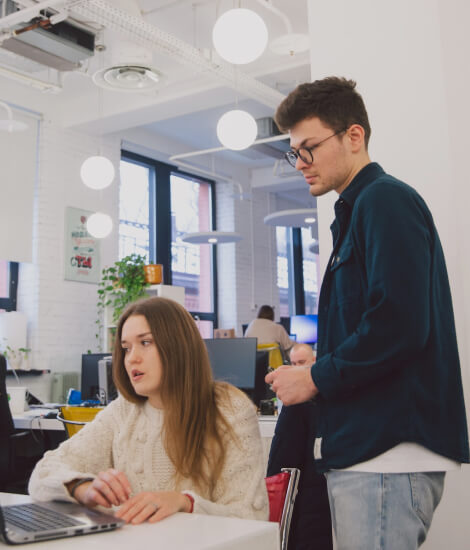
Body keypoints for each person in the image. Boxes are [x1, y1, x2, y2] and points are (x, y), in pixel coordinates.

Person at [265, 77, 469, 549]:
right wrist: (322, 362)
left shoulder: (383, 199)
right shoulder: (358, 211)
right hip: (371, 450)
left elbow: (398, 324)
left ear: (353, 136)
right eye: (294, 153)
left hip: (385, 451)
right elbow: (383, 324)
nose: (301, 163)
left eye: (309, 148)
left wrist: (314, 378)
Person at [29, 297, 269, 524]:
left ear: (179, 347)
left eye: (145, 343)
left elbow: (251, 517)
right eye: (126, 348)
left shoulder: (230, 409)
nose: (131, 358)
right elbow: (43, 473)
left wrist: (185, 503)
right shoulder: (124, 410)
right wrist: (82, 487)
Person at [267, 343, 332, 550]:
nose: (296, 368)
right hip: (322, 509)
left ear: (314, 361)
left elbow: (279, 467)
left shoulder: (298, 402)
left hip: (309, 513)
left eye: (301, 363)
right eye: (293, 363)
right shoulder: (335, 397)